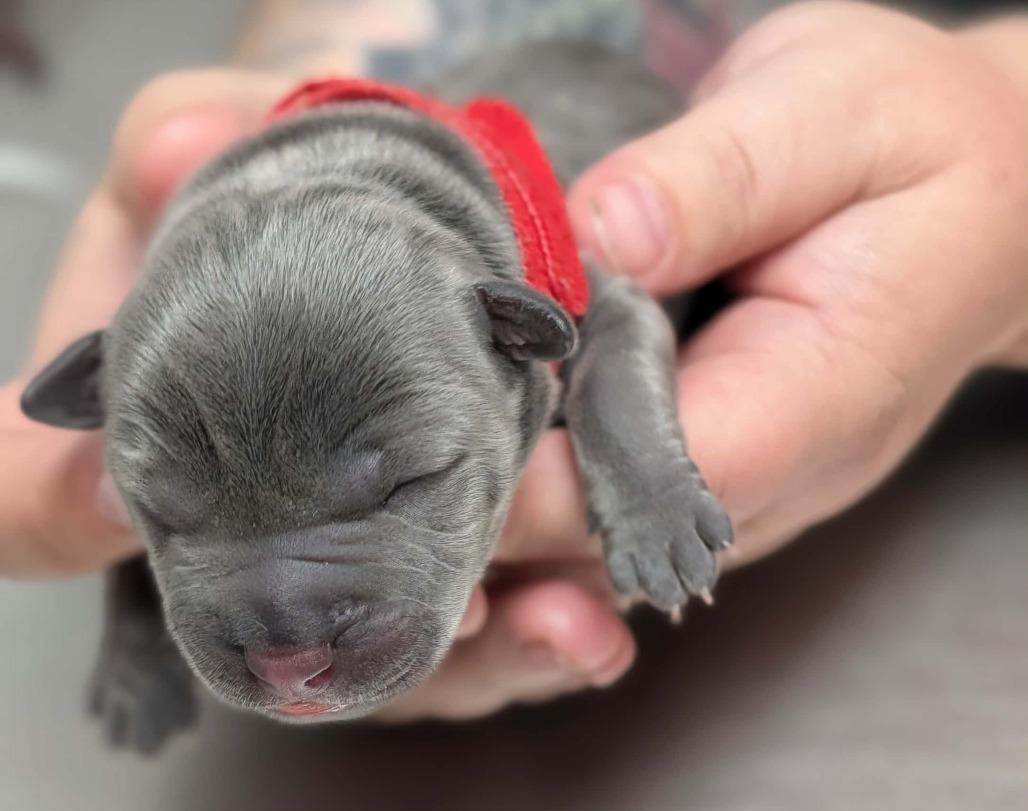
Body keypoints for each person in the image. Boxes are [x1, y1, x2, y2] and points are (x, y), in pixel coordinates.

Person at [1, 1, 1024, 719]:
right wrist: (137, 611)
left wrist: (646, 482)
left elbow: (610, 313)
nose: (285, 643)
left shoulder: (523, 276)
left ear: (514, 330)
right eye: (174, 514)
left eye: (397, 481)